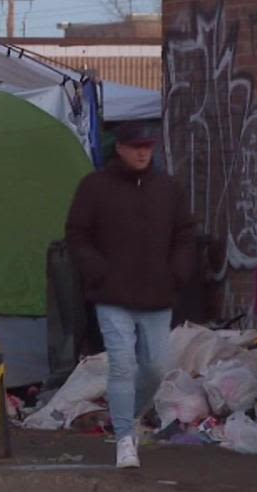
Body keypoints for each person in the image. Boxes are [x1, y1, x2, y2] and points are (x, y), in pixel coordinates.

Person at [64, 124, 195, 469]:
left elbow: (185, 232)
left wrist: (177, 271)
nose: (142, 153)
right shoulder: (94, 188)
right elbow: (77, 232)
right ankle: (124, 439)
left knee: (155, 367)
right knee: (122, 364)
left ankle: (128, 419)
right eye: (135, 147)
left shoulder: (168, 189)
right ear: (119, 148)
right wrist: (96, 270)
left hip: (156, 293)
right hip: (111, 293)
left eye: (147, 147)